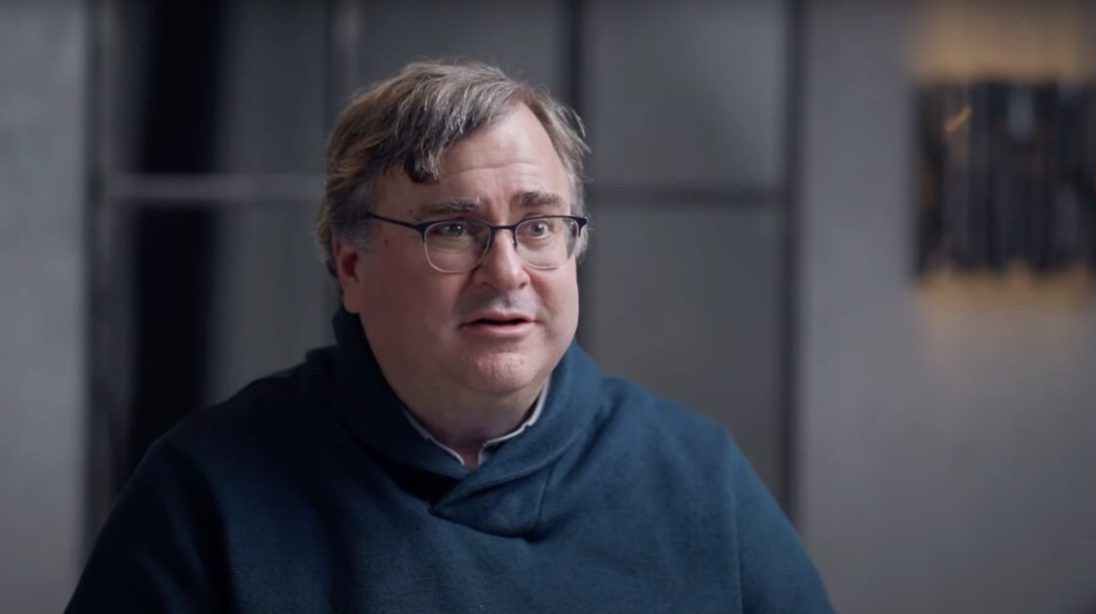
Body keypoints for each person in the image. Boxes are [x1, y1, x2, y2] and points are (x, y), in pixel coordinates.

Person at [66, 59, 832, 613]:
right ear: (352, 265)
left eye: (538, 226)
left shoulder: (697, 475)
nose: (507, 271)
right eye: (453, 229)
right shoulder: (203, 494)